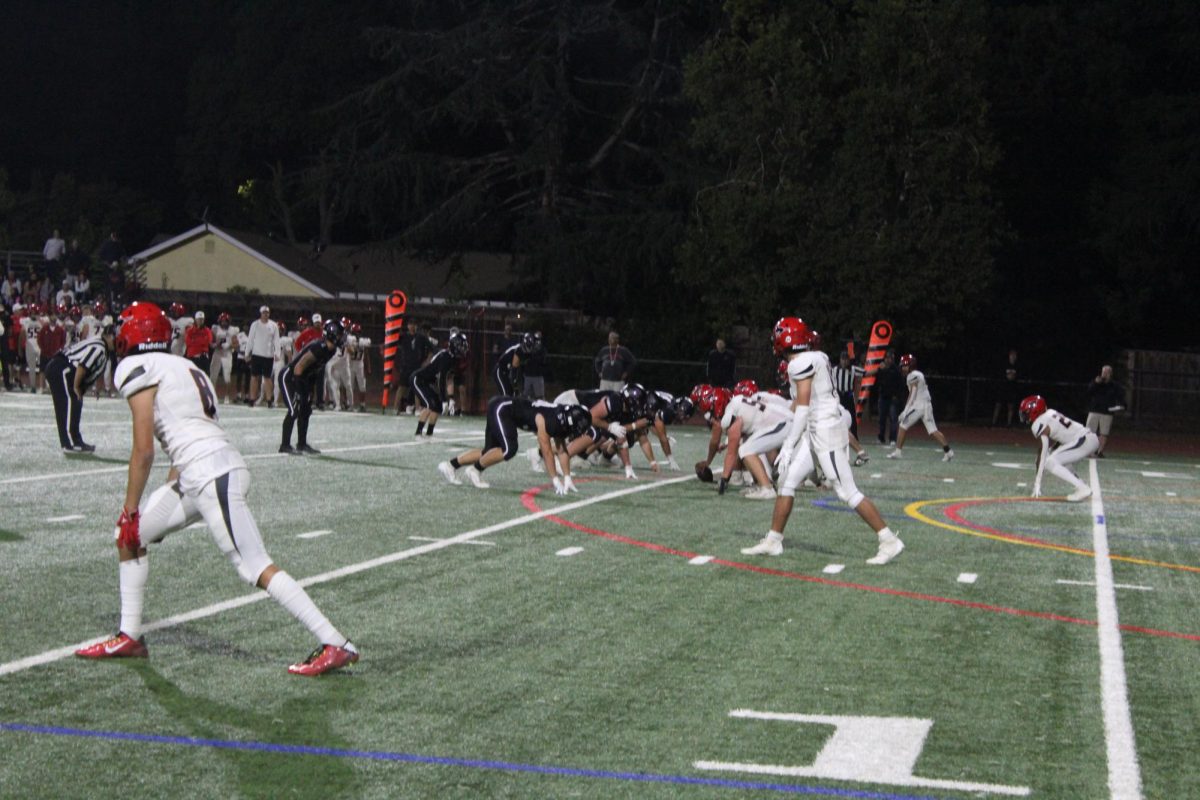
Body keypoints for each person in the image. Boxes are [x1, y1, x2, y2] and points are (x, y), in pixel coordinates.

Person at [73, 302, 358, 675]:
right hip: (203, 471)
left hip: (211, 474)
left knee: (253, 566)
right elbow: (178, 443)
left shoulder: (135, 367)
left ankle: (335, 642)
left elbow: (143, 450)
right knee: (129, 537)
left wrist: (130, 508)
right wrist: (152, 508)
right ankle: (130, 636)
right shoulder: (188, 366)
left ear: (134, 333)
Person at [742, 317, 904, 564]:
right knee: (786, 481)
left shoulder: (800, 364)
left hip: (825, 430)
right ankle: (773, 540)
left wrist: (787, 445)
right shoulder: (817, 356)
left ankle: (889, 540)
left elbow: (804, 408)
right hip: (817, 428)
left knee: (847, 492)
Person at [439, 398, 593, 490]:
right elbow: (546, 451)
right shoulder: (552, 421)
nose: (579, 432)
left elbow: (561, 450)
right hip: (502, 409)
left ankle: (451, 465)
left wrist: (567, 477)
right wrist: (554, 479)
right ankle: (475, 470)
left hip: (505, 410)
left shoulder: (562, 420)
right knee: (509, 449)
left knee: (490, 451)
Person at [278, 319, 344, 454]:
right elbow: (298, 368)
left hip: (302, 377)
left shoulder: (330, 350)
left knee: (306, 410)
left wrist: (309, 391)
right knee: (294, 410)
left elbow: (314, 370)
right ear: (332, 333)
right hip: (289, 377)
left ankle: (301, 444)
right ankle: (284, 445)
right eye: (339, 334)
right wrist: (299, 390)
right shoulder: (319, 347)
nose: (341, 337)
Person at [1019, 395, 1098, 501]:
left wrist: (1037, 483)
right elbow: (1057, 436)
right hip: (1088, 438)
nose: (1024, 416)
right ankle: (1082, 485)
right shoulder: (1050, 413)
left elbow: (1043, 451)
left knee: (1050, 462)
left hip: (1084, 440)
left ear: (1034, 411)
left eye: (1026, 413)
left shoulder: (1038, 423)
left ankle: (1083, 488)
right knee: (1060, 461)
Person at [44, 332, 108, 453]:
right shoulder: (99, 347)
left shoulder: (100, 346)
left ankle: (76, 441)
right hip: (62, 367)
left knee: (75, 403)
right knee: (67, 404)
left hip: (63, 368)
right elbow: (82, 366)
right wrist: (77, 386)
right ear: (108, 336)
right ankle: (69, 444)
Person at [886, 354, 954, 461]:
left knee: (903, 425)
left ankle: (898, 452)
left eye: (905, 365)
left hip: (919, 406)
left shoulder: (912, 376)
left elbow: (912, 393)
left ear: (910, 365)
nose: (903, 368)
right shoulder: (918, 374)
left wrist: (905, 410)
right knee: (933, 430)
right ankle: (948, 451)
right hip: (927, 405)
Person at [411, 331, 468, 438]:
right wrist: (443, 399)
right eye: (461, 346)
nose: (463, 348)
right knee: (430, 405)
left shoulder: (453, 358)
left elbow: (449, 378)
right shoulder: (445, 357)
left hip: (428, 381)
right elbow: (442, 379)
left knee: (436, 407)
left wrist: (450, 398)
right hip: (418, 379)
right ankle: (418, 433)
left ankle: (429, 433)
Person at [1084, 365, 1124, 458]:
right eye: (1103, 372)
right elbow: (1088, 392)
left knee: (1104, 433)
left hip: (1107, 412)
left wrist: (1121, 406)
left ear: (1110, 374)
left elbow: (1120, 396)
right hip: (1094, 410)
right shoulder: (1097, 382)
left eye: (1107, 372)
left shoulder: (1114, 385)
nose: (1104, 374)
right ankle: (1089, 450)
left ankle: (1099, 451)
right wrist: (1095, 383)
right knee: (1089, 431)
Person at [393, 318, 430, 415]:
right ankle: (395, 408)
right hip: (406, 366)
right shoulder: (403, 337)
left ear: (416, 326)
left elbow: (431, 350)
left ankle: (417, 409)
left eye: (414, 324)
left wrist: (426, 362)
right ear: (407, 326)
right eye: (410, 324)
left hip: (417, 367)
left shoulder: (421, 337)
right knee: (401, 387)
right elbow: (393, 340)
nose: (412, 326)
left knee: (416, 388)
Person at [246, 305, 279, 407]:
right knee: (254, 377)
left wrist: (277, 353)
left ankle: (269, 400)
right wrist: (247, 353)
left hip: (268, 356)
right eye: (264, 313)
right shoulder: (255, 325)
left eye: (267, 313)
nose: (265, 314)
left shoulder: (273, 325)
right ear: (260, 313)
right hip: (256, 355)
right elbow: (250, 339)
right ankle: (252, 399)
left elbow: (276, 340)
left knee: (268, 378)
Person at [208, 311, 239, 403]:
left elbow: (236, 344)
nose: (224, 323)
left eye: (225, 321)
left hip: (227, 354)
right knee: (213, 375)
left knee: (227, 376)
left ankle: (227, 396)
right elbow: (211, 343)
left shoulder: (233, 330)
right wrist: (216, 345)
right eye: (222, 321)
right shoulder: (215, 328)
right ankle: (212, 395)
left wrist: (229, 345)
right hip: (217, 353)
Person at [875, 349, 902, 446]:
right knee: (881, 419)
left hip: (892, 398)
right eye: (887, 358)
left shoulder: (896, 369)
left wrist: (897, 395)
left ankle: (893, 439)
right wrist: (881, 370)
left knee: (893, 419)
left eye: (890, 358)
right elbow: (878, 380)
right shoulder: (881, 368)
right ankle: (881, 437)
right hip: (883, 396)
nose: (888, 360)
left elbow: (899, 384)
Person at [991, 349, 1020, 427]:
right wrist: (1007, 377)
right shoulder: (1005, 365)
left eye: (1014, 355)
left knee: (1010, 406)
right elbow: (1001, 374)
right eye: (1012, 355)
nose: (1013, 357)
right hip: (1003, 388)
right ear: (1009, 356)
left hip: (1011, 389)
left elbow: (1017, 377)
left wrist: (1013, 377)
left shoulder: (1017, 366)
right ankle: (993, 423)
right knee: (998, 405)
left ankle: (1009, 424)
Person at [521, 331, 546, 400]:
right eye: (536, 339)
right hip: (528, 375)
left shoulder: (542, 349)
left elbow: (542, 361)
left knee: (539, 397)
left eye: (539, 339)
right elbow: (524, 360)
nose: (537, 341)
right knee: (526, 396)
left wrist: (532, 356)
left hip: (537, 375)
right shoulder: (527, 347)